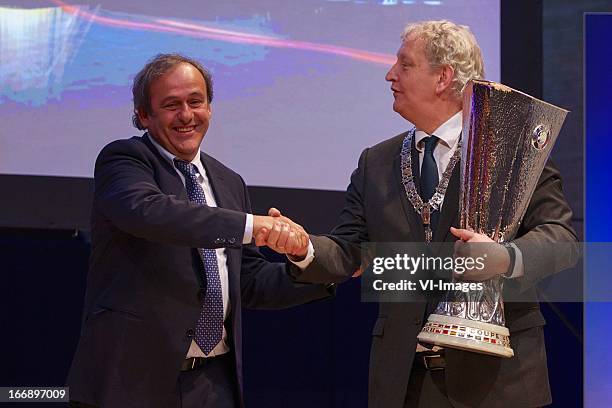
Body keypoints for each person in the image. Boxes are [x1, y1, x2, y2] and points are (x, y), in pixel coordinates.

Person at [273, 20, 578, 408]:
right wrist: (302, 247)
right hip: (403, 383)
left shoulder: (512, 149)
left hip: (497, 382)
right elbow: (348, 251)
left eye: (405, 64)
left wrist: (504, 258)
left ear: (443, 78)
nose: (390, 75)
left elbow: (562, 239)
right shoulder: (376, 162)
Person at [66, 53, 332, 408]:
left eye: (196, 101)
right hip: (130, 382)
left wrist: (309, 262)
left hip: (212, 384)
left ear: (210, 106)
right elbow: (151, 214)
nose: (187, 115)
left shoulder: (228, 182)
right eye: (171, 105)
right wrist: (256, 226)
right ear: (144, 115)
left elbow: (249, 282)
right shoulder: (125, 160)